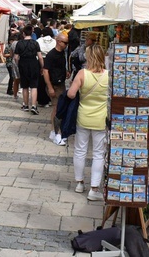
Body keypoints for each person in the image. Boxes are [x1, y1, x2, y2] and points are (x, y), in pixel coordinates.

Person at [67, 44, 109, 201]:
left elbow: (71, 94)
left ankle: (79, 183)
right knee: (98, 154)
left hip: (83, 117)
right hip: (100, 120)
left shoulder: (82, 73)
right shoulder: (108, 75)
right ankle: (94, 189)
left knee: (80, 150)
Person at [43, 33, 69, 145]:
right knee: (57, 109)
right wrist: (50, 87)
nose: (66, 45)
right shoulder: (51, 55)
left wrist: (65, 72)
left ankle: (55, 131)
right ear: (58, 41)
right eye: (65, 42)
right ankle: (55, 132)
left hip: (61, 83)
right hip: (54, 85)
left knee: (59, 108)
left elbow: (61, 66)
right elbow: (45, 71)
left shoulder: (62, 53)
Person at [14, 25, 44, 115]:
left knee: (25, 86)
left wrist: (19, 64)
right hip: (33, 64)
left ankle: (26, 105)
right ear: (32, 33)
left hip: (23, 63)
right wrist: (42, 67)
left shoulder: (19, 43)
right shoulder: (35, 43)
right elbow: (40, 57)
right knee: (34, 86)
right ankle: (34, 105)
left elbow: (16, 57)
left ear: (23, 33)